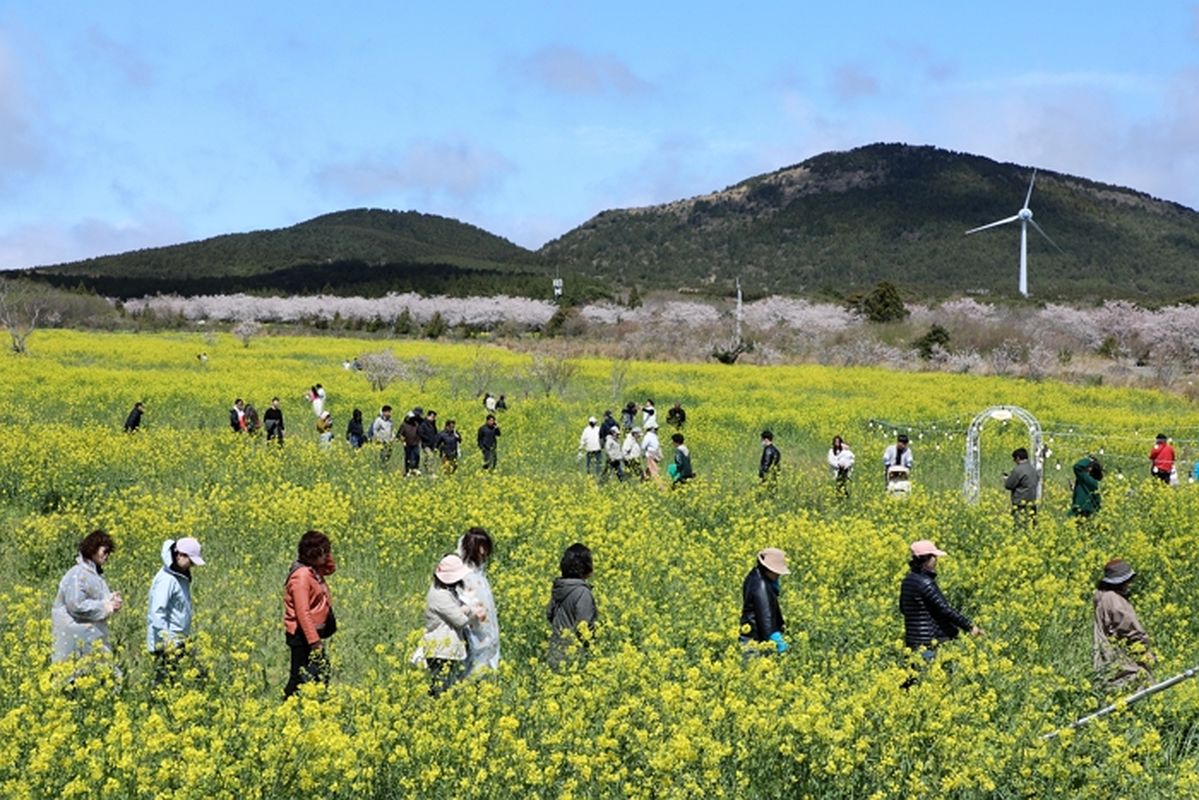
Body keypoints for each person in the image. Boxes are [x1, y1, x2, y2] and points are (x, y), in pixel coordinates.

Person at [899, 540, 981, 663]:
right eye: (934, 557)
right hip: (929, 643)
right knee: (933, 678)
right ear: (927, 559)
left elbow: (903, 608)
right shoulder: (926, 583)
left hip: (912, 643)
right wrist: (969, 627)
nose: (936, 560)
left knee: (915, 679)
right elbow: (945, 609)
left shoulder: (907, 581)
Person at [52, 530, 123, 666]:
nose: (107, 556)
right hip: (75, 635)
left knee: (100, 672)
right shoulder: (78, 574)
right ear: (92, 550)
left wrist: (111, 600)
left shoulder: (93, 574)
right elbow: (76, 605)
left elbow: (96, 598)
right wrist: (105, 606)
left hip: (89, 634)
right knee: (75, 674)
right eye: (105, 551)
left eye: (109, 552)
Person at [416, 554, 482, 695]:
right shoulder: (439, 595)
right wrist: (467, 610)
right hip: (441, 650)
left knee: (445, 686)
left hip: (446, 649)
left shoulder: (446, 590)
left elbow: (461, 608)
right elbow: (461, 621)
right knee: (441, 688)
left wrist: (464, 608)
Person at [283, 530, 337, 698]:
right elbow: (302, 613)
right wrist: (315, 642)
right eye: (324, 552)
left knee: (319, 672)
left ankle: (307, 703)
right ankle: (288, 706)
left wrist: (325, 556)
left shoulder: (313, 570)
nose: (328, 555)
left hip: (311, 634)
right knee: (301, 677)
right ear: (314, 554)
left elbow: (331, 568)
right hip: (302, 635)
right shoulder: (301, 577)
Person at [146, 537, 205, 683]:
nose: (191, 566)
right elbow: (158, 611)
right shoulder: (167, 579)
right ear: (180, 555)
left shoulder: (179, 575)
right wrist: (166, 640)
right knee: (167, 683)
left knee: (178, 681)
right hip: (167, 643)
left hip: (178, 640)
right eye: (190, 561)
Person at [1094, 559, 1155, 690]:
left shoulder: (1101, 595)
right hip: (1122, 659)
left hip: (1107, 657)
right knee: (1136, 687)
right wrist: (1144, 649)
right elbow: (1129, 628)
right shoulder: (1115, 600)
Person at [546, 543, 598, 668]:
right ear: (587, 568)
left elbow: (549, 614)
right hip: (574, 658)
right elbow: (584, 627)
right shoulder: (582, 592)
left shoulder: (559, 588)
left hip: (554, 653)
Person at [459, 528, 499, 678]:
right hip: (472, 631)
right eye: (480, 547)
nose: (484, 552)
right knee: (470, 670)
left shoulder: (479, 574)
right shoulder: (465, 575)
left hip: (484, 630)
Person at [739, 548, 790, 656]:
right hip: (755, 641)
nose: (778, 575)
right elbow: (765, 616)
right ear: (768, 569)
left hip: (751, 637)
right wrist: (778, 641)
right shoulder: (761, 587)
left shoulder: (754, 576)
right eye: (776, 572)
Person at [1004, 447, 1039, 525]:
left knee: (1019, 526)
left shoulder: (1018, 470)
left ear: (1018, 458)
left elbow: (1009, 485)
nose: (1014, 462)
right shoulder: (1033, 470)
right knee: (1031, 526)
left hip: (1020, 504)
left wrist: (1006, 479)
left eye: (1014, 459)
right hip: (1032, 503)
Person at [399, 410, 422, 475]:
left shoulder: (416, 424)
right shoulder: (404, 425)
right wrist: (403, 441)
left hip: (415, 443)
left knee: (417, 456)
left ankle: (415, 469)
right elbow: (400, 434)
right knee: (408, 457)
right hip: (407, 443)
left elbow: (419, 432)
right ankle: (408, 470)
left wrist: (419, 439)